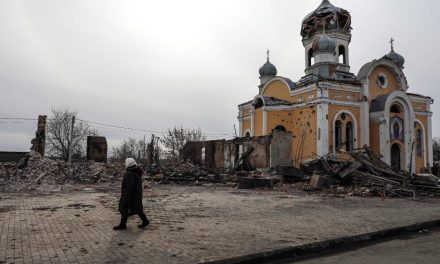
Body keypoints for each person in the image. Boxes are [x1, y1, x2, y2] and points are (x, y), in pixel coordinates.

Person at [113, 158, 150, 230]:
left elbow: (129, 187)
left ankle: (122, 225)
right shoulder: (136, 172)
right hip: (136, 194)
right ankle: (145, 221)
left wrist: (126, 198)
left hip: (131, 195)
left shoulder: (129, 173)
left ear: (128, 164)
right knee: (138, 208)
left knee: (124, 208)